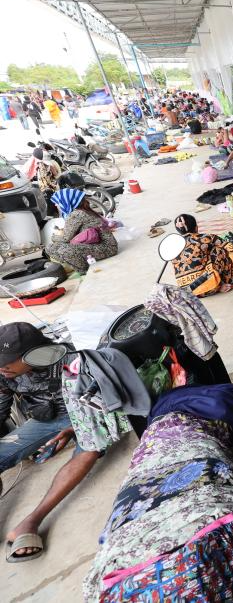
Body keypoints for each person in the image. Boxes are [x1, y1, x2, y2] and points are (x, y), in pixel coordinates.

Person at [0, 323, 103, 563]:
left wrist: (73, 429)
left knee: (90, 448)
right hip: (45, 419)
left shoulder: (74, 360)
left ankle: (32, 521)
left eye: (7, 362)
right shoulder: (5, 373)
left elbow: (104, 403)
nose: (2, 367)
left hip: (86, 414)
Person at [170, 214, 233, 296]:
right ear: (196, 227)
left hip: (188, 291)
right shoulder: (206, 237)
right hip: (210, 286)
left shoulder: (174, 246)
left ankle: (218, 286)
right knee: (219, 250)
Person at [45, 189, 117, 274]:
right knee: (51, 247)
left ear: (66, 201)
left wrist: (53, 236)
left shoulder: (76, 214)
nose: (55, 205)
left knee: (63, 250)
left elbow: (65, 238)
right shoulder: (81, 210)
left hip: (106, 248)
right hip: (103, 245)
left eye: (57, 202)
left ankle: (84, 270)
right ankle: (77, 264)